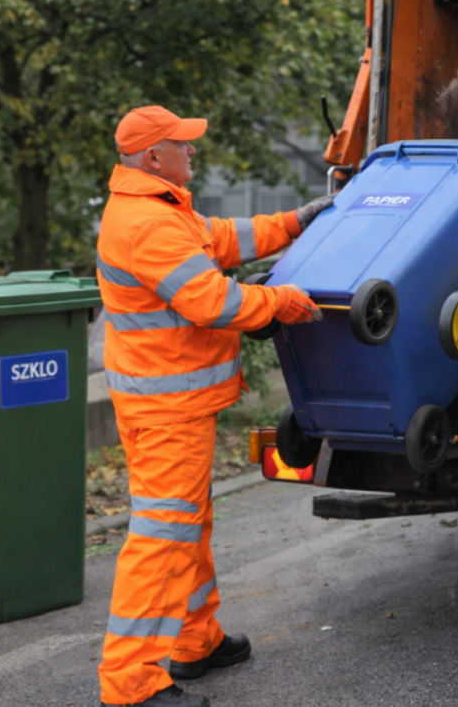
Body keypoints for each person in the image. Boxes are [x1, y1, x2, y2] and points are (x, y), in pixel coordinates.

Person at [95, 105, 332, 707]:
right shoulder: (148, 222)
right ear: (154, 156)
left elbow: (221, 240)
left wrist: (294, 223)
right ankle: (131, 683)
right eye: (184, 143)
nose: (193, 151)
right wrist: (276, 299)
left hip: (172, 400)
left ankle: (197, 640)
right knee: (163, 536)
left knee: (186, 525)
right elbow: (209, 300)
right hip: (167, 408)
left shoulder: (160, 208)